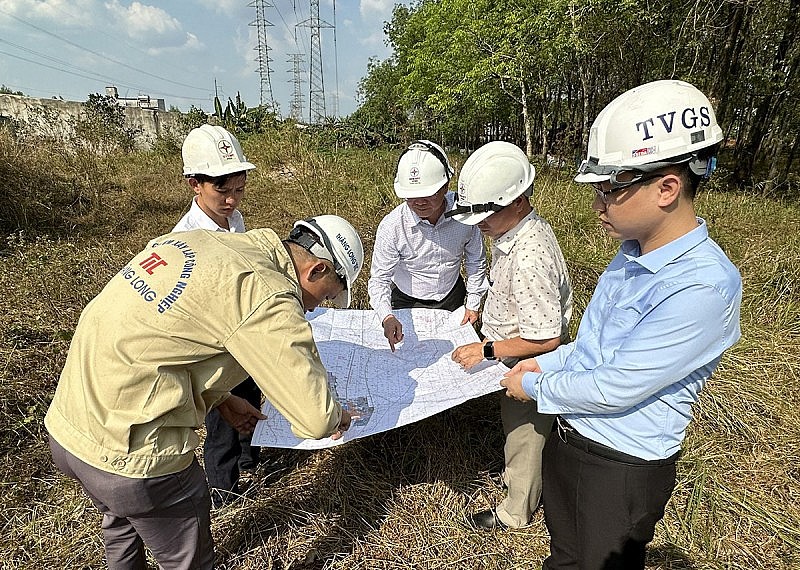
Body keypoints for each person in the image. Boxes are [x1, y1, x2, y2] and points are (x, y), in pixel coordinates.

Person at [501, 79, 742, 569]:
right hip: (572, 438)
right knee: (566, 556)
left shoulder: (703, 287)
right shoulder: (630, 255)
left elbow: (617, 386)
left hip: (621, 467)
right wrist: (537, 361)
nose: (598, 206)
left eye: (610, 190)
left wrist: (532, 385)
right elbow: (591, 348)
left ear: (667, 187)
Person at [45, 214, 364, 569]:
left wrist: (223, 398)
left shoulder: (204, 242)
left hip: (71, 430)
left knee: (122, 527)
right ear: (316, 270)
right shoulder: (267, 294)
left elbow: (162, 337)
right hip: (134, 458)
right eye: (328, 295)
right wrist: (342, 415)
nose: (318, 306)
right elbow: (316, 419)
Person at [448, 141, 573, 530]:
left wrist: (486, 349)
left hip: (527, 364)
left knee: (526, 436)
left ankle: (516, 511)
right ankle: (516, 482)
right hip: (511, 355)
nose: (480, 222)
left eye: (488, 212)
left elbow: (545, 338)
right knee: (516, 429)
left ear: (518, 201)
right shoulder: (514, 235)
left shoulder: (529, 255)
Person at [174, 124, 264, 508]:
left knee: (250, 398)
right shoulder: (187, 238)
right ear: (195, 184)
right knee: (220, 420)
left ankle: (251, 459)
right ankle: (224, 492)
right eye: (222, 191)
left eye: (239, 190)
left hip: (241, 333)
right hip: (212, 343)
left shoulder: (234, 220)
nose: (231, 201)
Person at [368, 140, 488, 351]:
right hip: (406, 302)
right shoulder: (392, 226)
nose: (419, 202)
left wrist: (473, 302)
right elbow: (379, 280)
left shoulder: (465, 214)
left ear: (446, 186)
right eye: (411, 196)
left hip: (453, 299)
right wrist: (387, 316)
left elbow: (476, 260)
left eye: (428, 194)